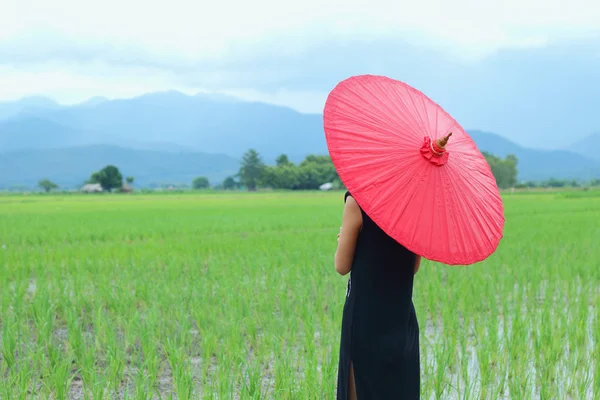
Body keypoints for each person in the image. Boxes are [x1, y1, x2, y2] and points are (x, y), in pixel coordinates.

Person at [335, 191, 421, 400]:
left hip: (365, 317)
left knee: (361, 389)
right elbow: (413, 268)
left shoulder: (358, 201)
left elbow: (341, 266)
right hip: (401, 317)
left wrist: (344, 237)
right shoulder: (418, 207)